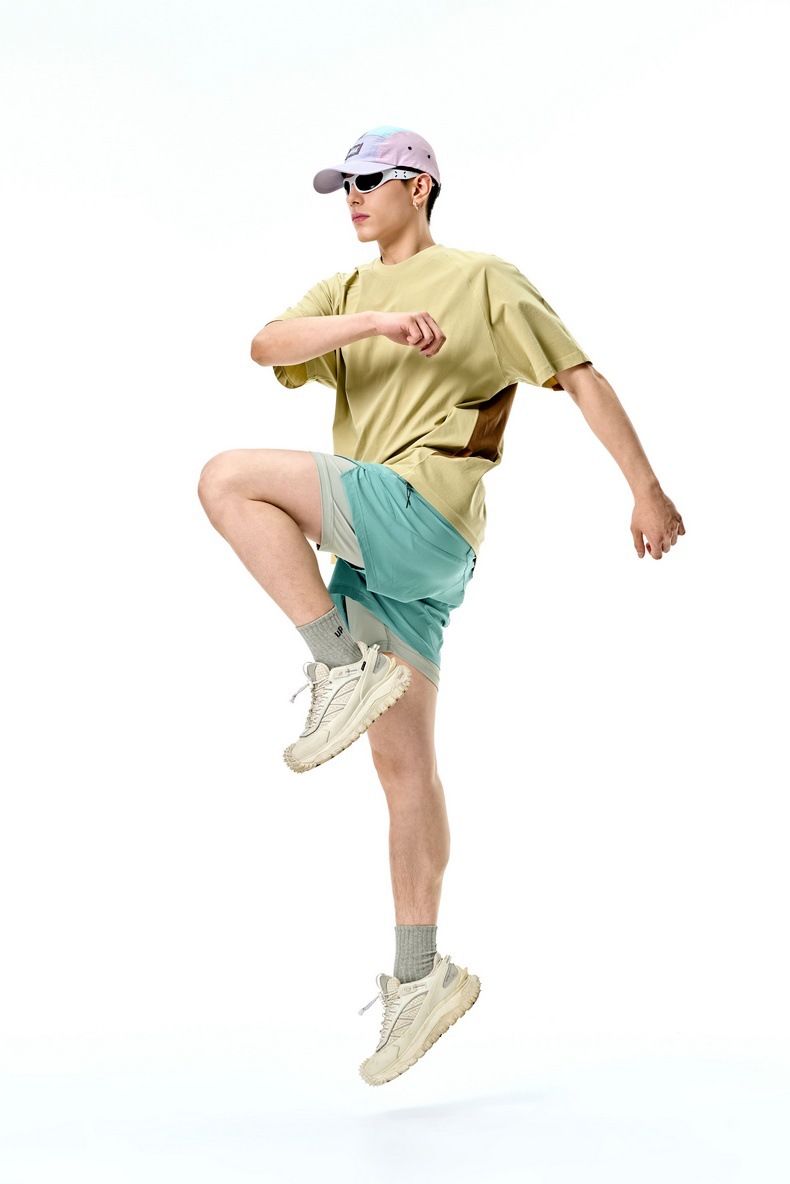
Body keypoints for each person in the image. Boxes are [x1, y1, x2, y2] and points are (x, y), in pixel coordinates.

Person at [197, 125, 685, 1086]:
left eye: (369, 181)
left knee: (226, 478)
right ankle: (422, 977)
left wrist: (646, 489)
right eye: (343, 186)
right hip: (387, 555)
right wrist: (371, 325)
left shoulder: (482, 279)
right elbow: (265, 346)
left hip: (420, 511)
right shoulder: (345, 292)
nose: (352, 197)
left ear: (418, 186)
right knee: (404, 769)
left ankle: (336, 664)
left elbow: (579, 377)